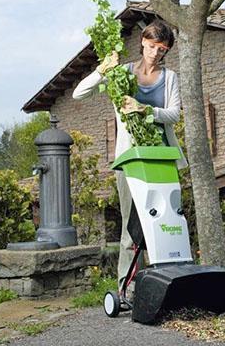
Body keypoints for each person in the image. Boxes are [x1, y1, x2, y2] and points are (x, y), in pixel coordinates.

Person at [72, 20, 187, 286]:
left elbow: (173, 115)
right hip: (131, 159)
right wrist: (103, 69)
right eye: (152, 46)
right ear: (143, 43)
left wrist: (144, 110)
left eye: (162, 49)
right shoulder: (122, 73)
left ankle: (166, 279)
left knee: (166, 220)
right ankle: (128, 284)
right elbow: (79, 94)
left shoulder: (170, 78)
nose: (156, 53)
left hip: (161, 158)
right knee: (131, 224)